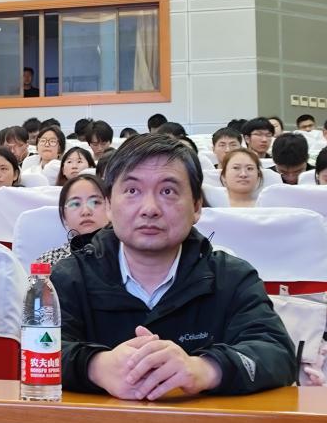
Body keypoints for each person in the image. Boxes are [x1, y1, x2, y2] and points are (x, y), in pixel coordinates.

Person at [51, 134, 295, 399]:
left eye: (167, 191)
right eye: (132, 191)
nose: (149, 209)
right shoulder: (71, 276)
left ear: (197, 207)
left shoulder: (232, 277)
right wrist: (95, 366)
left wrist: (204, 368)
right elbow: (38, 348)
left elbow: (277, 354)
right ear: (109, 205)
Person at [36, 175, 109, 266]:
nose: (85, 211)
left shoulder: (124, 252)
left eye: (95, 202)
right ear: (64, 216)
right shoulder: (44, 261)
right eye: (75, 204)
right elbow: (35, 276)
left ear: (111, 208)